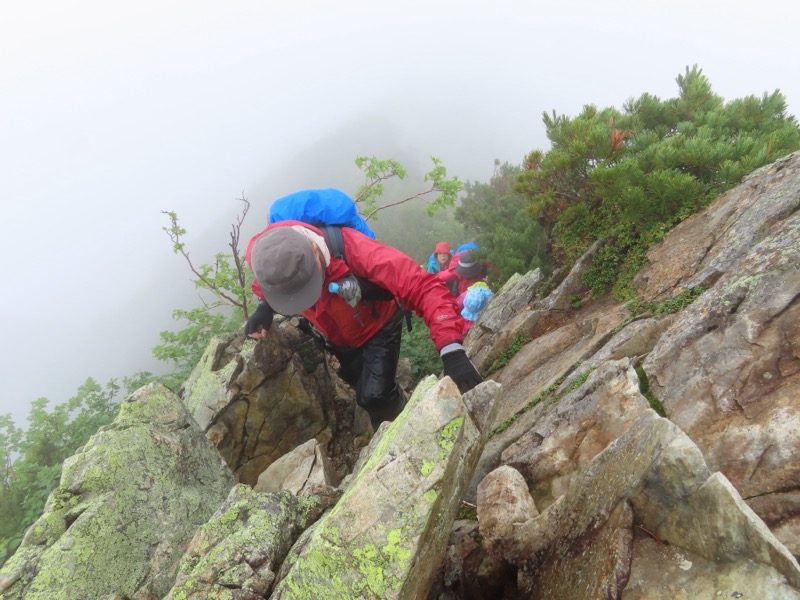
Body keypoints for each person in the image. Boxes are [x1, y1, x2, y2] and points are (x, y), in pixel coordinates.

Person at [243, 212, 484, 427]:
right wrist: (266, 306)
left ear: (315, 251)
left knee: (374, 396)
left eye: (310, 284)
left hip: (380, 324)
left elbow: (422, 286)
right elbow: (272, 285)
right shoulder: (265, 263)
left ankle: (407, 429)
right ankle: (393, 415)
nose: (306, 298)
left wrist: (451, 349)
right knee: (364, 394)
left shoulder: (353, 248)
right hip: (340, 338)